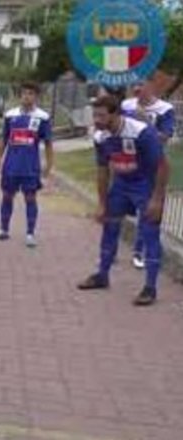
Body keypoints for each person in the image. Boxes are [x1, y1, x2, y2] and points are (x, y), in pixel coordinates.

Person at [77, 95, 169, 306]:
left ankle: (150, 288)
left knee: (149, 233)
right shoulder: (100, 136)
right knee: (109, 227)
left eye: (101, 116)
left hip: (145, 186)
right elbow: (102, 170)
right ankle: (102, 275)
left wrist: (157, 199)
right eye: (94, 115)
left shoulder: (142, 132)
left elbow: (163, 166)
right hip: (121, 185)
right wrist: (102, 203)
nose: (97, 120)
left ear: (116, 114)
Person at [0, 81, 54, 248]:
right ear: (20, 96)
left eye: (31, 94)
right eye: (24, 93)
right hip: (11, 165)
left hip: (30, 166)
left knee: (30, 197)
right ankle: (3, 229)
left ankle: (30, 233)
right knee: (7, 195)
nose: (27, 97)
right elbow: (4, 139)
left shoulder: (43, 117)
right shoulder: (10, 115)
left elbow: (48, 143)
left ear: (36, 97)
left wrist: (48, 165)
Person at [121, 79, 176, 269]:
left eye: (141, 84)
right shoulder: (126, 105)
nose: (136, 89)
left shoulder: (164, 109)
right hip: (128, 163)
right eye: (134, 85)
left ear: (152, 86)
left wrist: (145, 122)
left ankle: (141, 251)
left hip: (152, 166)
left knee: (149, 211)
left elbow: (164, 138)